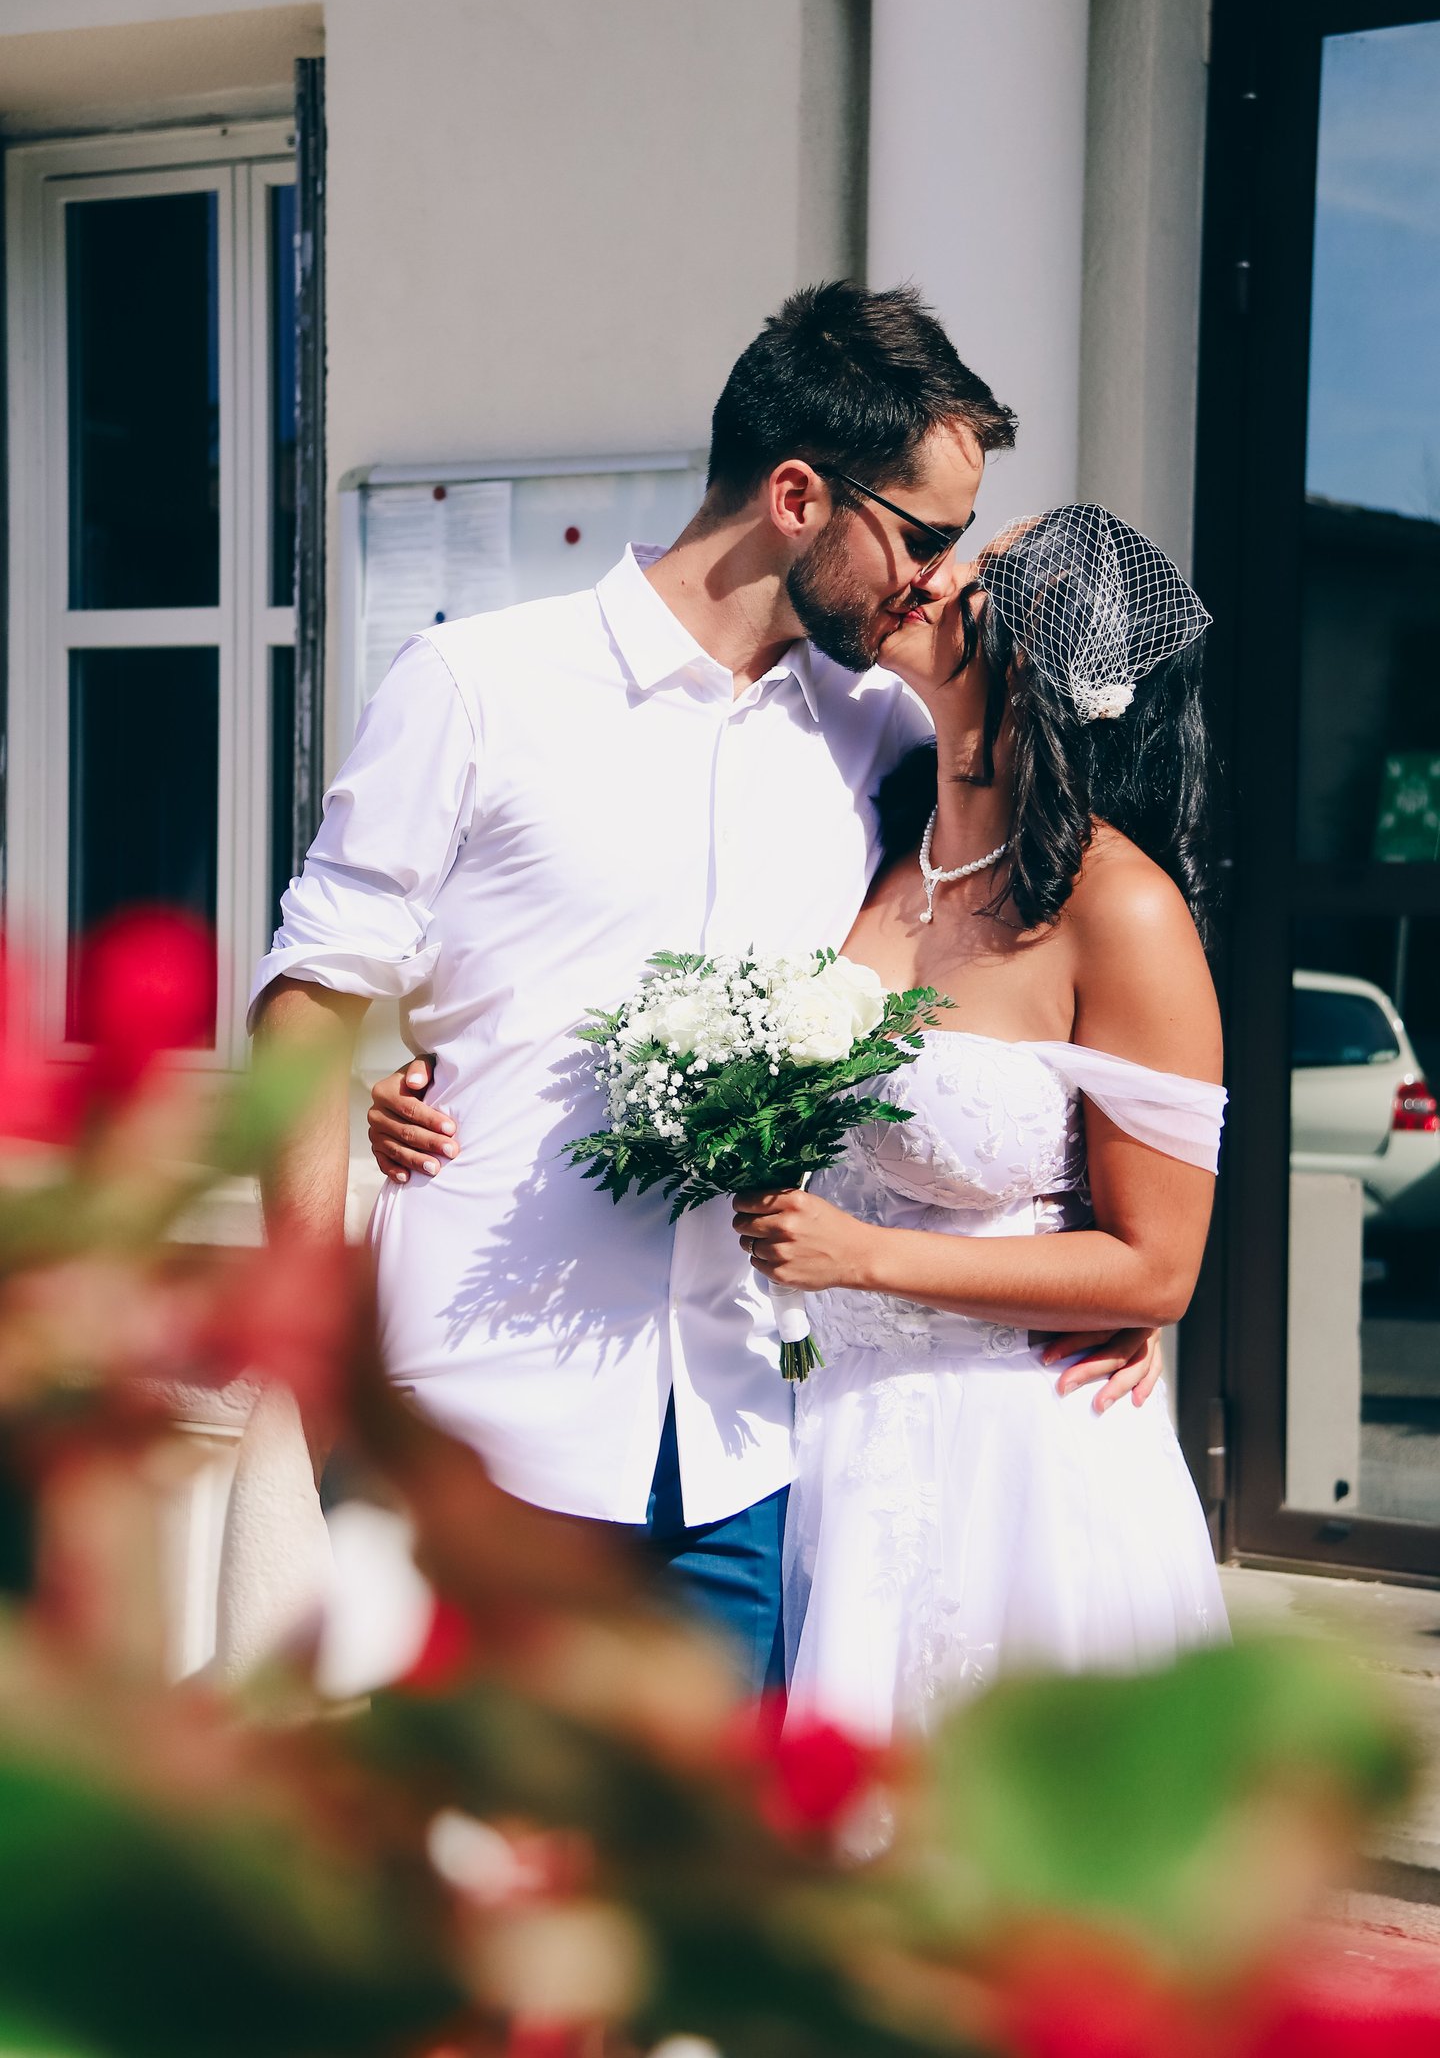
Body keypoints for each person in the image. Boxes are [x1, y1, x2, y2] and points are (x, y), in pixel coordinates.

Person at [258, 283, 1161, 1696]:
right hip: (482, 1431)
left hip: (742, 1453)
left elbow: (1023, 951)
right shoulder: (479, 684)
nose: (935, 580)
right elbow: (309, 1001)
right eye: (922, 536)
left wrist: (1106, 1260)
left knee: (703, 1896)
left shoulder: (881, 737)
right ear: (800, 496)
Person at [725, 505, 1229, 1740]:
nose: (937, 576)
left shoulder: (1123, 912)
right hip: (833, 1438)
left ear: (1052, 663)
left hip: (1017, 1474)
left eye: (987, 577)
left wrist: (867, 1259)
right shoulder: (880, 844)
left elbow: (1155, 1268)